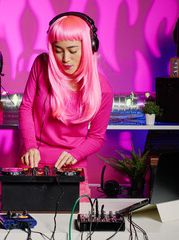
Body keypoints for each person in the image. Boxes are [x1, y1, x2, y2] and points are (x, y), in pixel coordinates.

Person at [18, 12, 113, 191]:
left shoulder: (103, 89)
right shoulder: (41, 65)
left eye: (72, 50)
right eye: (58, 50)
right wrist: (30, 146)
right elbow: (26, 107)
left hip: (72, 166)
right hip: (32, 160)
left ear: (89, 47)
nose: (65, 59)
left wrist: (75, 154)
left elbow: (96, 137)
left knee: (75, 217)